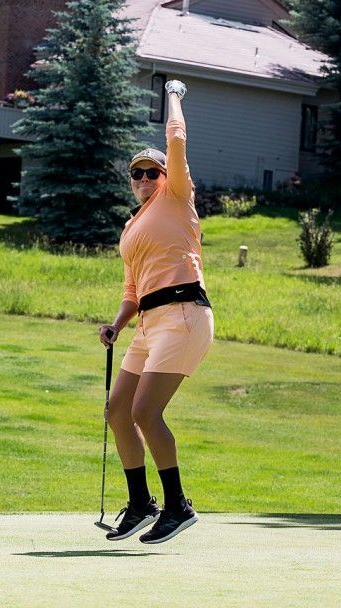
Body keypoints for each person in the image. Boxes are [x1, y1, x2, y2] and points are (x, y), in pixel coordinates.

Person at [98, 79, 213, 545]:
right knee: (117, 411)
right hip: (148, 323)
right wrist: (117, 324)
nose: (145, 179)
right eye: (137, 174)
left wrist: (174, 95)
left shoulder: (177, 196)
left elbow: (176, 138)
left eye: (152, 172)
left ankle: (177, 506)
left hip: (184, 314)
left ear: (167, 175)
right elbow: (132, 285)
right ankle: (141, 503)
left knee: (146, 411)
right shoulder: (133, 225)